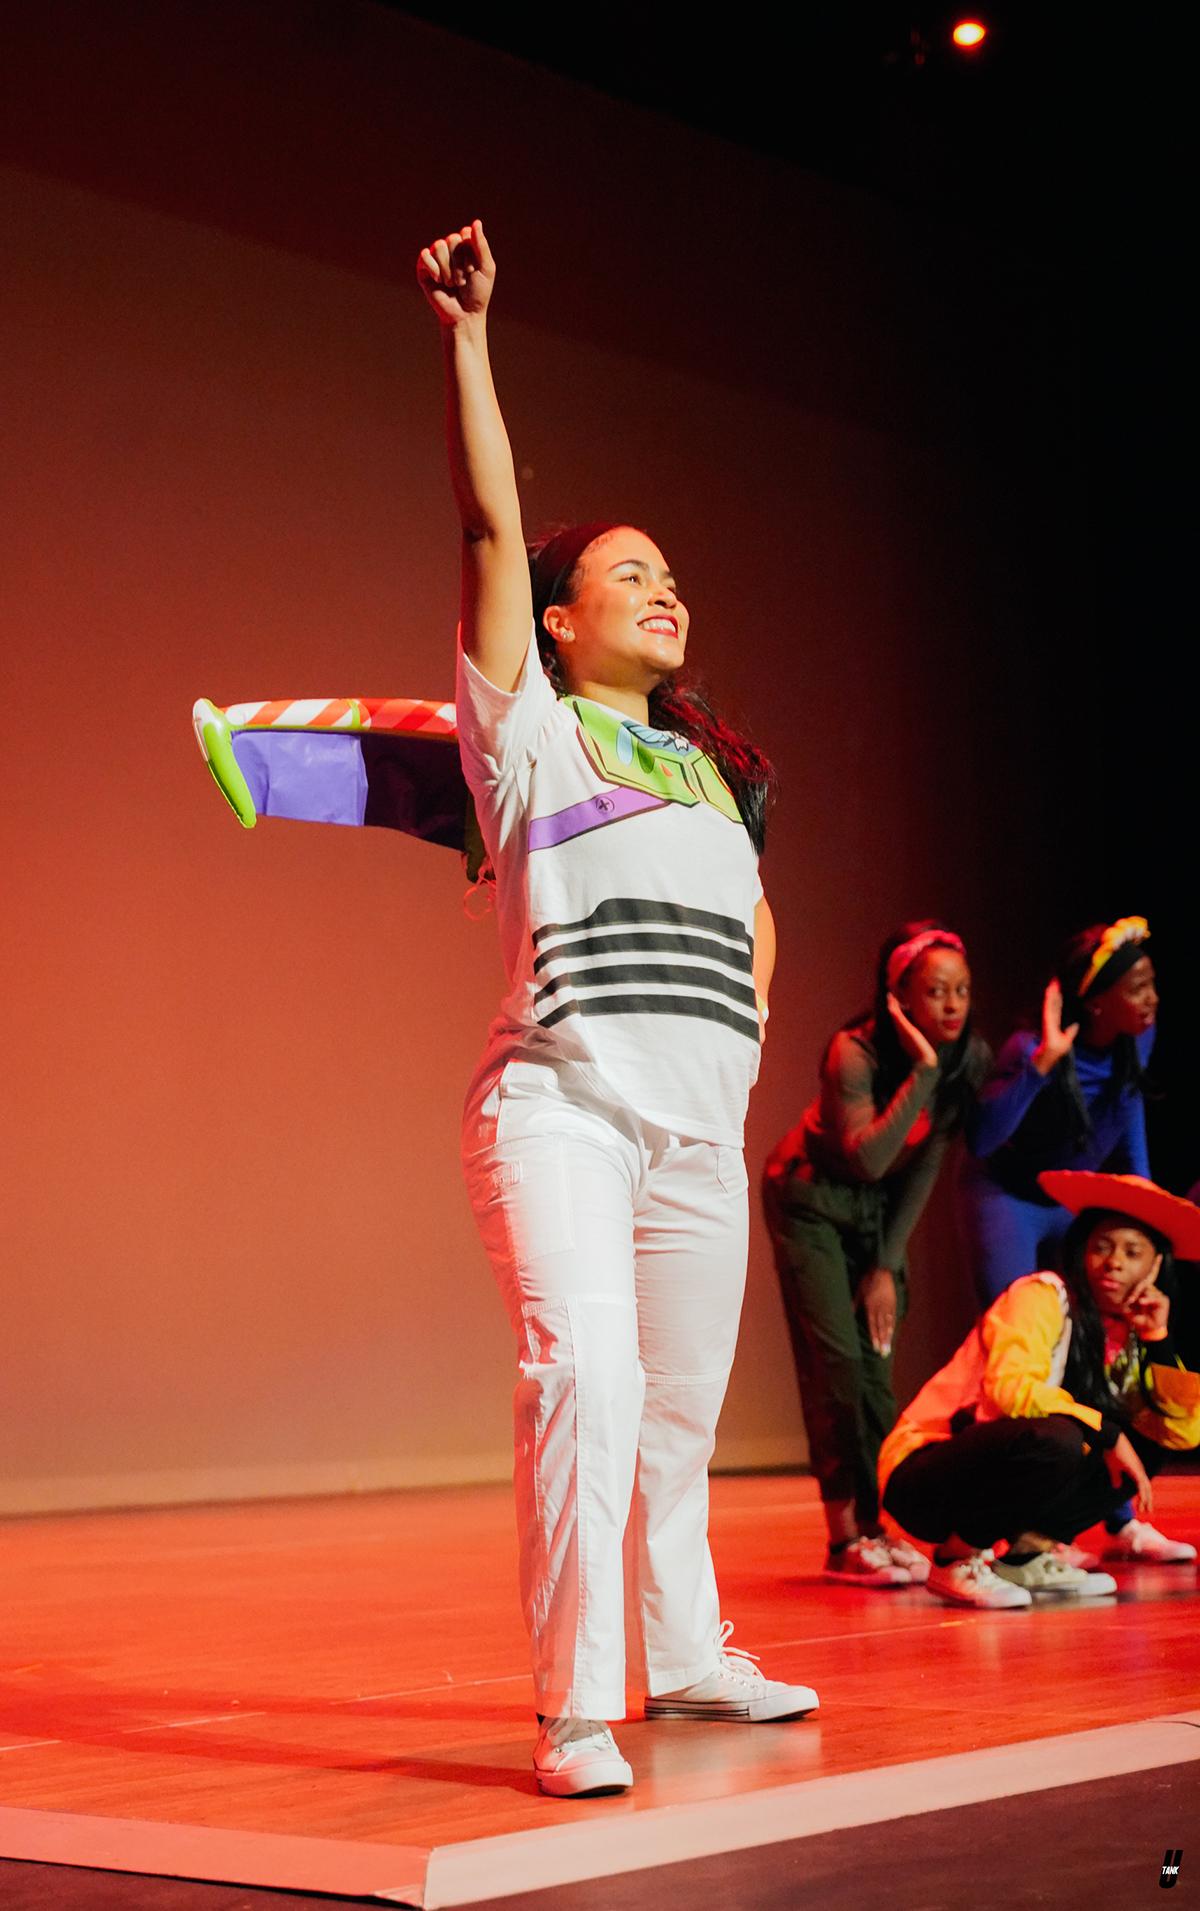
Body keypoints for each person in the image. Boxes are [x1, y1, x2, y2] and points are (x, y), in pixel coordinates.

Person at [417, 219, 817, 1798]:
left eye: (671, 574)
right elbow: (490, 529)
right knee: (581, 1374)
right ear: (564, 622)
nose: (663, 589)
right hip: (562, 1108)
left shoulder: (713, 769)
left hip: (693, 1136)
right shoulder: (532, 738)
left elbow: (757, 917)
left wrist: (740, 1049)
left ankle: (693, 1652)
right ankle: (579, 1704)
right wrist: (466, 336)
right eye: (626, 572)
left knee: (679, 1412)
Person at [762, 922, 991, 1586]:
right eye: (935, 991)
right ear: (898, 996)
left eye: (962, 991)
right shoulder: (852, 1052)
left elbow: (921, 1169)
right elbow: (868, 1158)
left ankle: (880, 1524)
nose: (952, 1005)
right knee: (834, 1363)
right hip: (810, 1203)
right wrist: (921, 1071)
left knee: (873, 1373)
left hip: (874, 1221)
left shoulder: (967, 1060)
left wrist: (887, 1264)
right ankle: (845, 1539)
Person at [958, 916, 1190, 1562]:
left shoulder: (1135, 1042)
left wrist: (1146, 1223)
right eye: (1138, 987)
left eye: (1151, 984)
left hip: (1075, 1198)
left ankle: (1119, 1521)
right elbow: (980, 1138)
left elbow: (1130, 1111)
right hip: (1008, 1195)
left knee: (1101, 1338)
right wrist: (1039, 1067)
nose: (1152, 999)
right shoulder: (1029, 1044)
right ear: (1096, 1000)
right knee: (1025, 1348)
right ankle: (1017, 1530)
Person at [880, 1172, 1200, 1608]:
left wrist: (1158, 1340)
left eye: (1132, 1252)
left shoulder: (1128, 1333)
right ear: (1081, 1252)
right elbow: (1011, 1390)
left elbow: (1184, 1431)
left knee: (1148, 1438)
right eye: (1101, 1247)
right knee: (1059, 1439)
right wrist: (1103, 1429)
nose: (1114, 1263)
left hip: (1000, 1473)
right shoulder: (1042, 1296)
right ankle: (957, 1558)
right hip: (926, 1473)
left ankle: (1026, 1556)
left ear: (1156, 1266)